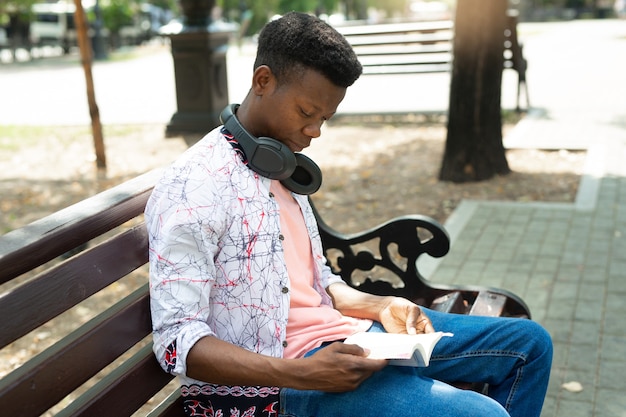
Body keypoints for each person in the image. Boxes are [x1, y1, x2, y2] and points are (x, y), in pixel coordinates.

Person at [145, 11, 552, 417]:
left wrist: (378, 306)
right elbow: (177, 340)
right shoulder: (193, 186)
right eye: (307, 113)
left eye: (324, 118)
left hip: (348, 341)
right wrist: (304, 374)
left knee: (529, 346)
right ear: (263, 81)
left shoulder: (280, 163)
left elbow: (317, 280)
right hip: (274, 388)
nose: (315, 131)